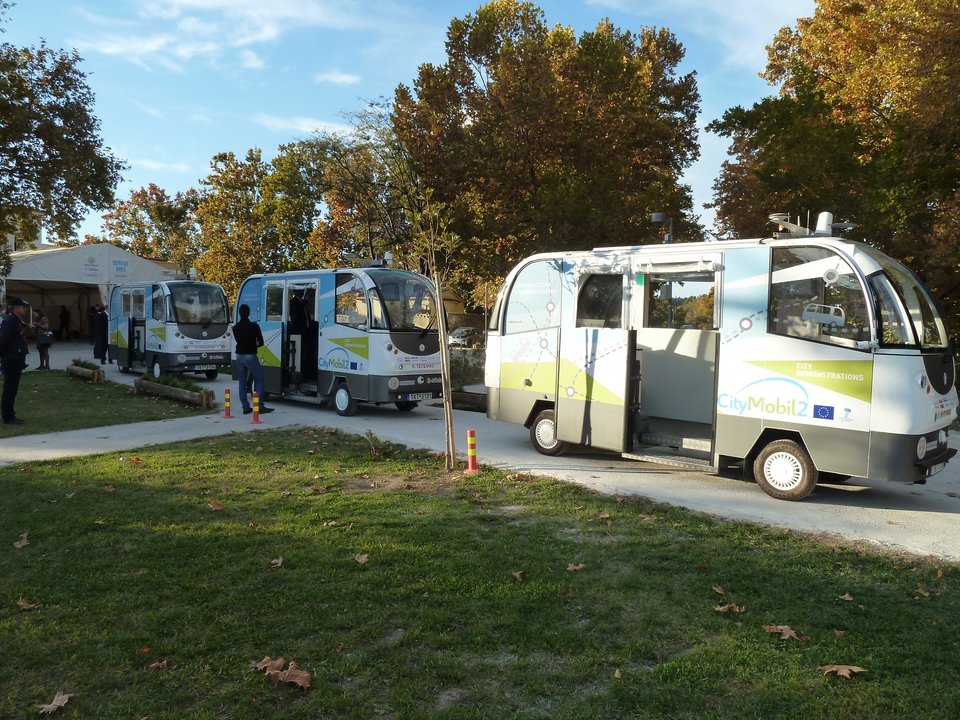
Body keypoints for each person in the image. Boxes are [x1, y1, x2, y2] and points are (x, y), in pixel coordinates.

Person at [233, 303, 274, 415]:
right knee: (259, 379)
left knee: (242, 382)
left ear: (240, 313)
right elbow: (261, 342)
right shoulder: (254, 326)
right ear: (249, 313)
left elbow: (239, 341)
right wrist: (253, 344)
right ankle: (259, 406)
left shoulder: (235, 328)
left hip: (239, 356)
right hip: (250, 356)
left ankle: (245, 408)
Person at [0, 297, 31, 424]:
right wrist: (5, 358)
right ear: (16, 308)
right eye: (23, 307)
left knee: (12, 389)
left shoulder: (16, 321)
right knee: (10, 389)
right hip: (11, 360)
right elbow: (2, 341)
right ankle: (8, 417)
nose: (25, 309)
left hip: (16, 360)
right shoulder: (9, 321)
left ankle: (10, 414)